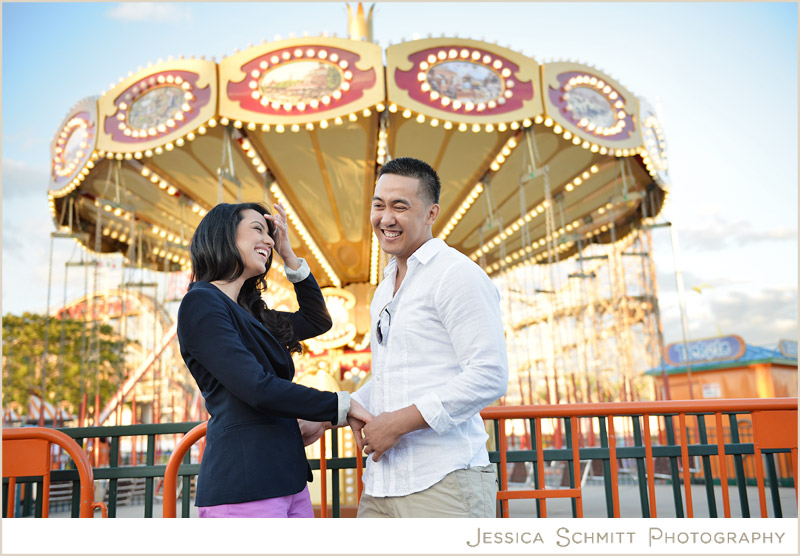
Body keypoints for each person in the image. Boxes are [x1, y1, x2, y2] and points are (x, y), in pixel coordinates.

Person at [177, 201, 371, 518]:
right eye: (257, 229)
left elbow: (317, 320)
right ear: (224, 234)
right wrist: (340, 405)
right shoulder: (201, 302)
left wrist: (289, 255)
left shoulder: (252, 313)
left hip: (287, 478)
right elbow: (257, 388)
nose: (268, 239)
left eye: (270, 234)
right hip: (245, 483)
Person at [350, 157, 509, 518]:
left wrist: (400, 422)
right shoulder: (385, 288)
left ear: (431, 212)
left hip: (443, 479)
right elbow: (393, 375)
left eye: (399, 207)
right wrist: (337, 409)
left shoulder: (456, 274)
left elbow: (489, 373)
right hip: (381, 484)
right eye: (378, 205)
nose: (385, 218)